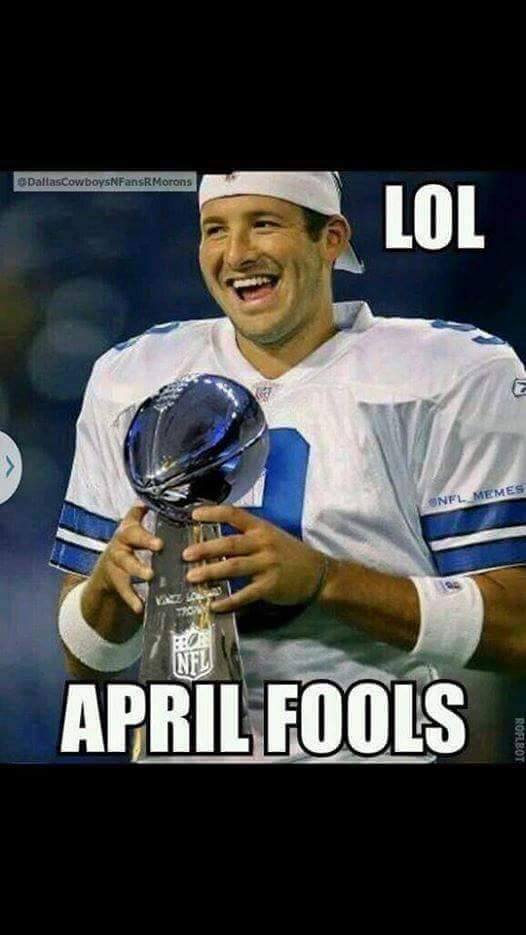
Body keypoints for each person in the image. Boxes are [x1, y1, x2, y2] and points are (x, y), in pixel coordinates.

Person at [51, 171, 526, 764]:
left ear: (331, 238)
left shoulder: (450, 374)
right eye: (215, 230)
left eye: (264, 224)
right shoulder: (132, 377)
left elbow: (516, 630)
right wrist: (109, 589)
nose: (236, 254)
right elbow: (89, 662)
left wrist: (326, 581)